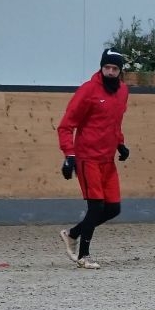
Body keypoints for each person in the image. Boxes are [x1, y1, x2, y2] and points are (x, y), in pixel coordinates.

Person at [56, 48, 132, 270]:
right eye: (106, 67)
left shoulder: (123, 91)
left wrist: (120, 143)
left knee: (113, 208)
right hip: (87, 157)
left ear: (120, 71)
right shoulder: (88, 90)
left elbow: (114, 121)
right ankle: (83, 255)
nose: (110, 72)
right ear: (101, 67)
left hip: (107, 160)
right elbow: (66, 126)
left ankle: (73, 234)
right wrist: (69, 155)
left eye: (114, 68)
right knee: (96, 206)